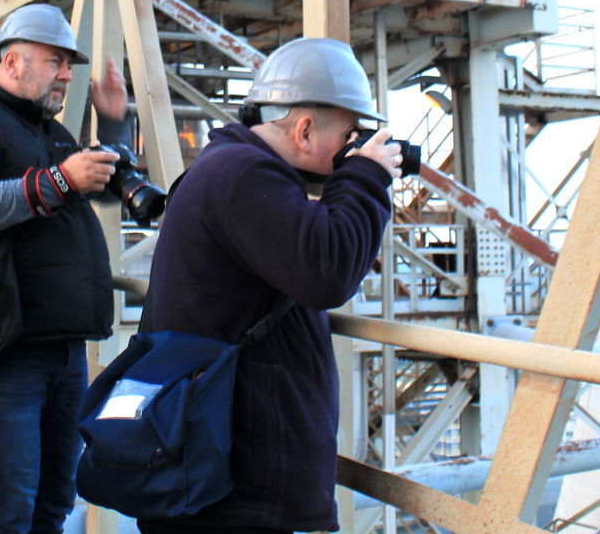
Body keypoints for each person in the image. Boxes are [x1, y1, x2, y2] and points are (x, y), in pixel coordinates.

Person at [139, 37, 403, 534]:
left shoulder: (231, 168)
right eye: (348, 136)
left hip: (214, 466)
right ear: (304, 130)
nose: (352, 150)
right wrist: (367, 178)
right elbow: (328, 271)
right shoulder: (242, 175)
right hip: (229, 487)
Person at [0, 3, 127, 534]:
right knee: (13, 505)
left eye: (69, 64)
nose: (67, 74)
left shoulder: (51, 133)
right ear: (12, 62)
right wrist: (60, 181)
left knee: (55, 498)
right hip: (5, 346)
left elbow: (104, 193)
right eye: (55, 61)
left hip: (61, 347)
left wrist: (113, 122)